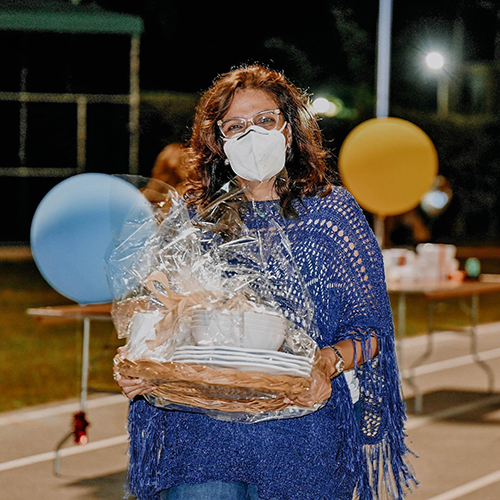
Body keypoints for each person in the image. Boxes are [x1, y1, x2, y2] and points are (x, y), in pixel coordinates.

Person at [115, 64, 416, 500]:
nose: (251, 134)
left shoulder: (332, 217)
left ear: (289, 130)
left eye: (265, 120)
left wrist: (327, 362)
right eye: (235, 126)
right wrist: (142, 363)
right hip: (202, 432)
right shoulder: (193, 221)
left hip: (304, 432)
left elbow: (372, 333)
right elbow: (162, 317)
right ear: (218, 143)